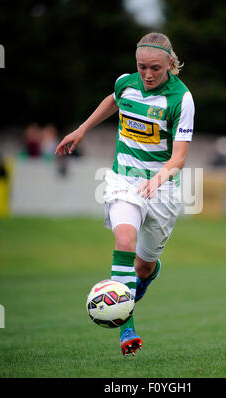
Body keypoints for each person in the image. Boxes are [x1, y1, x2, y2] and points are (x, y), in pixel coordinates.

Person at [55, 32, 195, 357]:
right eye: (142, 67)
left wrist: (160, 177)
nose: (147, 74)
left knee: (144, 267)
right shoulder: (126, 83)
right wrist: (82, 129)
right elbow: (113, 100)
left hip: (162, 188)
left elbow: (180, 157)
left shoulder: (181, 100)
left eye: (155, 68)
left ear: (170, 65)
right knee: (124, 243)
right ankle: (126, 329)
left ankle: (142, 278)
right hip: (123, 180)